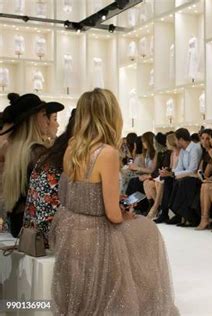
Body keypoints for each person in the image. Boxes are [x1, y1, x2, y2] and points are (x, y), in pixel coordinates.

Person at [49, 88, 178, 314]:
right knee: (147, 230)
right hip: (94, 233)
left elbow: (75, 191)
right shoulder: (106, 153)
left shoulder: (72, 146)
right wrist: (125, 213)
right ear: (110, 115)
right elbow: (112, 215)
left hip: (68, 227)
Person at [1, 93, 64, 238]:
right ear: (32, 119)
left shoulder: (14, 150)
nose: (47, 121)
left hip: (17, 223)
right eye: (43, 115)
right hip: (32, 226)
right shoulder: (37, 153)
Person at [23, 110, 76, 246]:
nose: (56, 124)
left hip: (33, 232)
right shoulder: (69, 154)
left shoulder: (50, 154)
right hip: (51, 235)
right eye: (53, 118)